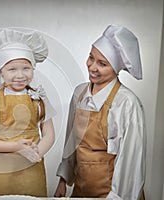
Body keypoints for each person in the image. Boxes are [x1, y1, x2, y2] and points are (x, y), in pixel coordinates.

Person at [54, 24, 146, 200]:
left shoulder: (126, 103)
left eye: (102, 64)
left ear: (116, 69)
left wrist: (116, 197)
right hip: (81, 192)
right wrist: (63, 180)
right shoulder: (79, 94)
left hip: (112, 194)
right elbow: (72, 140)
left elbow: (131, 162)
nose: (92, 67)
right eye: (91, 58)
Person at [0, 28, 56, 197]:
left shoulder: (39, 96)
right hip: (0, 171)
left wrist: (36, 153)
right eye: (12, 69)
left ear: (33, 68)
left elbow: (49, 133)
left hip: (32, 169)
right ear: (0, 71)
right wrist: (16, 147)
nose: (20, 75)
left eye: (26, 68)